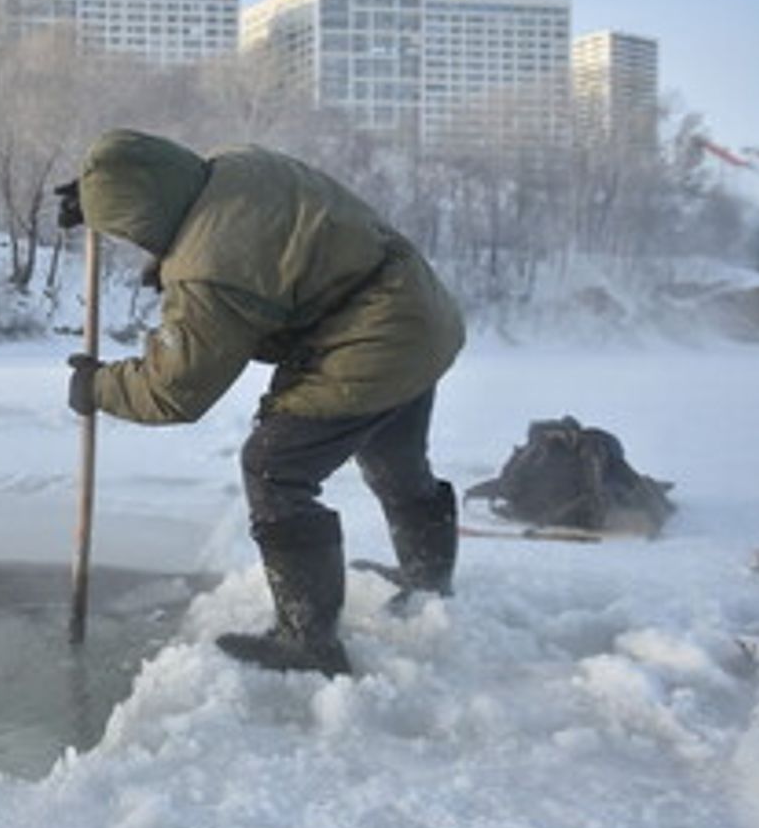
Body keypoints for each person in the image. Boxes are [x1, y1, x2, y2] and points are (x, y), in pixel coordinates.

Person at [60, 129, 464, 677]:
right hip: (420, 313)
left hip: (373, 338)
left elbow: (174, 389)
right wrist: (97, 196)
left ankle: (308, 641)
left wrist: (98, 387)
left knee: (274, 468)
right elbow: (231, 237)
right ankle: (428, 581)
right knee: (396, 460)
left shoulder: (209, 266)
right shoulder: (236, 165)